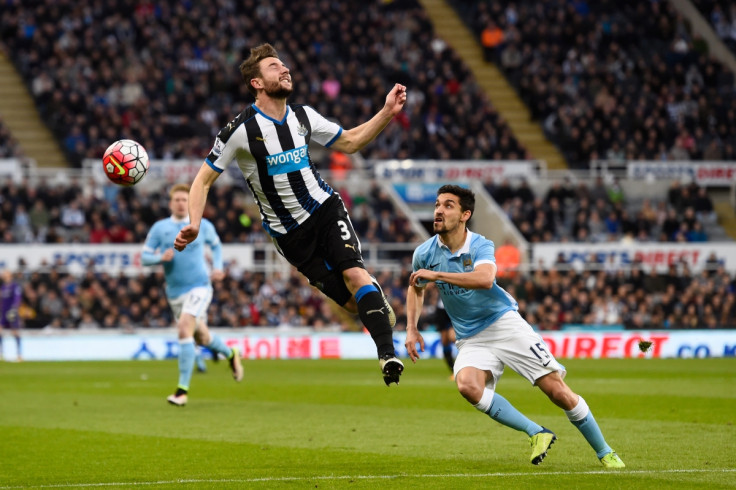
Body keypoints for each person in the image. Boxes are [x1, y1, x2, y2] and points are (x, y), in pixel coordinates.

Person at [174, 43, 406, 385]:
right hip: (289, 236)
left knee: (356, 276)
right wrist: (193, 223)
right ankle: (375, 307)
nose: (284, 70)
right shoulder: (239, 131)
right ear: (256, 82)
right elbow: (202, 179)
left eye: (284, 65)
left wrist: (387, 112)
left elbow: (351, 142)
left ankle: (387, 355)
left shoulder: (303, 116)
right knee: (354, 305)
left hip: (324, 209)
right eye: (273, 67)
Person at [405, 185, 624, 468]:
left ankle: (605, 451)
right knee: (468, 386)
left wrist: (436, 275)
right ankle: (537, 432)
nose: (438, 210)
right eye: (437, 204)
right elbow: (416, 287)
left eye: (448, 205)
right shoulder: (424, 253)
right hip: (471, 337)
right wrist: (412, 327)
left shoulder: (480, 245)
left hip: (504, 325)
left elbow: (484, 279)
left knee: (557, 391)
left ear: (464, 215)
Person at [142, 184, 243, 406]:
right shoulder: (160, 228)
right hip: (175, 293)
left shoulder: (202, 225)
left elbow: (216, 247)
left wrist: (217, 267)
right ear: (170, 203)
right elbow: (144, 258)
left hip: (200, 286)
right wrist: (160, 258)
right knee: (202, 337)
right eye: (176, 199)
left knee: (184, 327)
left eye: (183, 199)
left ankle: (181, 391)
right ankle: (230, 354)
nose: (180, 203)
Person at [0, 269, 23, 361]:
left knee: (15, 332)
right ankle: (2, 353)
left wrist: (14, 308)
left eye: (5, 273)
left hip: (12, 312)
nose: (3, 274)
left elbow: (17, 298)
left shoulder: (14, 286)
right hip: (3, 312)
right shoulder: (2, 287)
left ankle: (19, 354)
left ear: (9, 275)